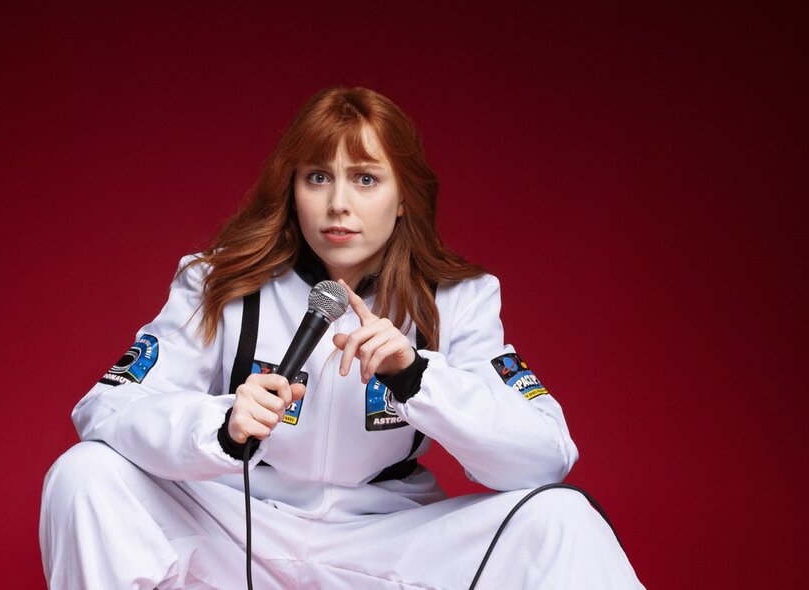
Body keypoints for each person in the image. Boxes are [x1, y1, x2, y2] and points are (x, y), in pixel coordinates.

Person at [40, 87, 644, 589]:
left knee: (560, 518)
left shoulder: (457, 297)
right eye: (318, 177)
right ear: (292, 190)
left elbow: (544, 457)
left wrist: (419, 377)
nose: (338, 204)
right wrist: (220, 426)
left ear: (403, 198)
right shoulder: (218, 280)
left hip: (387, 540)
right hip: (236, 529)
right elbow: (105, 409)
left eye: (365, 179)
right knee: (84, 474)